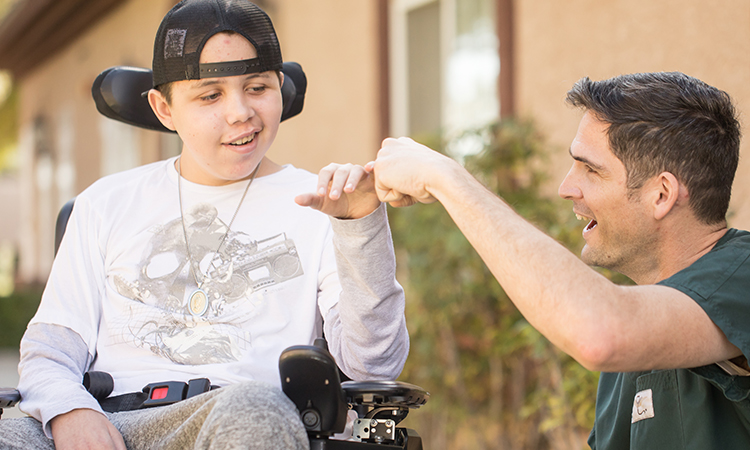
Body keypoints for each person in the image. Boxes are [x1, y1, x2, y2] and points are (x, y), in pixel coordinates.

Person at [0, 1, 408, 449]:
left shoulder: (325, 205)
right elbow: (50, 351)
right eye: (210, 95)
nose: (240, 113)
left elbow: (374, 368)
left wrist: (360, 225)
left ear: (281, 91)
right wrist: (71, 412)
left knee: (253, 410)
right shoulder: (105, 202)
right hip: (106, 420)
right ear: (164, 108)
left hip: (232, 419)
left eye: (257, 87)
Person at [368, 72, 749, 449]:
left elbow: (601, 333)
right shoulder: (633, 336)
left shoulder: (741, 275)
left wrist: (447, 178)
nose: (566, 188)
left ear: (661, 194)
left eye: (591, 169)